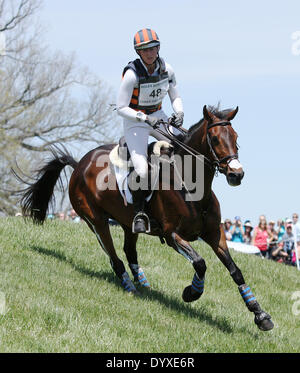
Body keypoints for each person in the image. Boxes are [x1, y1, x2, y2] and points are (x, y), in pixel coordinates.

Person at [117, 28, 184, 233]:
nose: (150, 53)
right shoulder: (131, 74)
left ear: (159, 48)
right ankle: (140, 213)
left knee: (184, 147)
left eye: (153, 48)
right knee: (142, 169)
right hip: (136, 122)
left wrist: (179, 112)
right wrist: (145, 118)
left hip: (159, 116)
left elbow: (175, 96)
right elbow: (121, 108)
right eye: (145, 50)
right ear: (139, 52)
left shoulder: (167, 69)